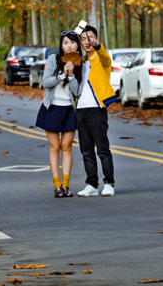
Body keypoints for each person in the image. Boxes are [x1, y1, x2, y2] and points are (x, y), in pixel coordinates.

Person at [73, 25, 117, 197]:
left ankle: (109, 183)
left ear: (96, 39)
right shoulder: (81, 62)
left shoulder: (102, 58)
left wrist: (98, 46)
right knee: (86, 150)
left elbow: (105, 56)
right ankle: (91, 184)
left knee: (102, 148)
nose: (87, 42)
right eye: (83, 39)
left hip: (96, 109)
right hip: (81, 109)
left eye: (90, 38)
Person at [37, 31, 82, 198]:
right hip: (52, 108)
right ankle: (57, 186)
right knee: (55, 147)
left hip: (69, 109)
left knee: (67, 146)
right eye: (65, 43)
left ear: (77, 45)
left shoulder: (80, 63)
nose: (69, 45)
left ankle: (66, 185)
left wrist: (71, 76)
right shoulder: (53, 60)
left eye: (72, 42)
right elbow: (46, 82)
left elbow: (78, 91)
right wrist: (62, 74)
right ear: (61, 46)